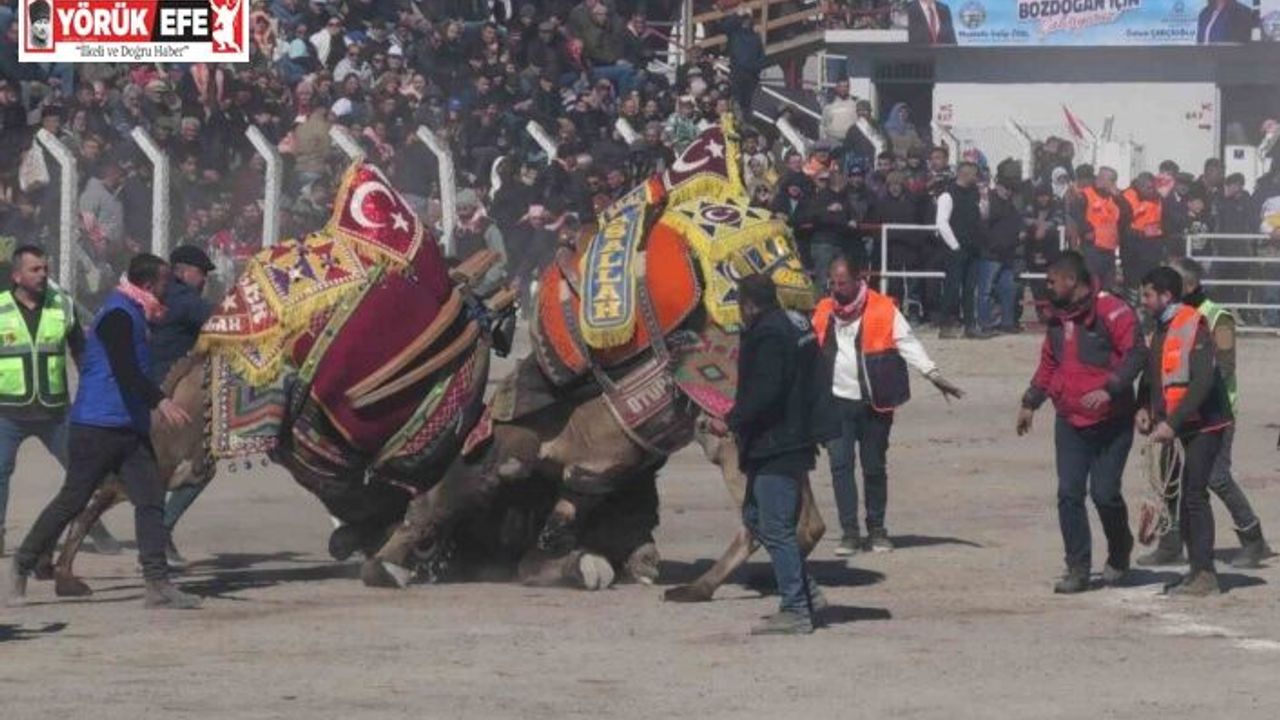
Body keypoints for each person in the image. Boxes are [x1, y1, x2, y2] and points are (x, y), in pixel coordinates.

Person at [9, 254, 201, 609]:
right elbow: (126, 370)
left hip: (129, 428)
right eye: (163, 283)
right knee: (73, 499)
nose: (167, 290)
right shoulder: (117, 315)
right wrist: (160, 401)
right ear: (147, 285)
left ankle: (157, 583)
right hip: (97, 427)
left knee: (150, 500)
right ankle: (22, 563)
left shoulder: (138, 312)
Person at [814, 255, 963, 556]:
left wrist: (933, 374)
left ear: (858, 280)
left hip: (875, 403)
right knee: (840, 467)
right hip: (836, 401)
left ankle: (877, 530)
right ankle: (849, 534)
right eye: (833, 282)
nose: (837, 288)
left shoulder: (883, 308)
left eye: (843, 282)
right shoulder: (823, 310)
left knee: (873, 467)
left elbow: (908, 343)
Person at [1017, 252, 1144, 594]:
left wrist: (1110, 389)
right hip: (1070, 419)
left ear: (1071, 281)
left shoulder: (1113, 311)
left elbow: (1135, 355)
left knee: (1105, 494)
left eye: (1051, 281)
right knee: (1069, 493)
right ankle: (1078, 567)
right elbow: (1049, 362)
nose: (1046, 288)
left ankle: (1119, 550)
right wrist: (1031, 401)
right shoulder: (1057, 318)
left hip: (1112, 421)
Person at [1137, 258, 1271, 568]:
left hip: (1211, 415)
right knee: (1168, 477)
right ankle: (1170, 543)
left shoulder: (1216, 318)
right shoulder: (1166, 322)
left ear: (1186, 286)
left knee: (1215, 477)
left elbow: (1223, 367)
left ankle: (1253, 538)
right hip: (1174, 415)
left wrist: (1187, 405)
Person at [723, 273, 837, 635]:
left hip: (778, 442)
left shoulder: (769, 333)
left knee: (776, 527)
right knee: (757, 518)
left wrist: (730, 420)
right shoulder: (794, 323)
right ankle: (808, 593)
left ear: (748, 304)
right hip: (789, 436)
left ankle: (796, 609)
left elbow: (766, 392)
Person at [1135, 266, 1234, 596]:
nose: (1143, 301)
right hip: (1181, 425)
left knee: (1194, 494)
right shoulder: (1160, 329)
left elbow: (1203, 381)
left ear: (1166, 296)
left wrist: (1171, 422)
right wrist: (1144, 409)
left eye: (1148, 295)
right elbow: (1152, 376)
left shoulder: (1193, 324)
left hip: (1207, 423)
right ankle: (1196, 570)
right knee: (1186, 497)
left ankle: (1205, 573)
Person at [149, 245, 216, 564]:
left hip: (144, 391)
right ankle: (159, 534)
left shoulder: (157, 294)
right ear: (183, 271)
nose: (204, 281)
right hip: (166, 397)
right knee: (201, 468)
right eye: (202, 274)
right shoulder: (186, 301)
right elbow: (224, 323)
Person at [935, 161, 989, 339]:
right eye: (974, 174)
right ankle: (946, 326)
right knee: (952, 287)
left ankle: (970, 326)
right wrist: (955, 246)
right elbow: (942, 223)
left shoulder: (975, 194)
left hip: (973, 248)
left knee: (969, 289)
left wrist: (984, 198)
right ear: (964, 174)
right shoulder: (947, 195)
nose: (976, 178)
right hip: (955, 249)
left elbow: (983, 215)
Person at [1072, 166, 1129, 291]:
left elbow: (1127, 215)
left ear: (1112, 182)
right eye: (1099, 176)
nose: (1098, 179)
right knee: (1091, 285)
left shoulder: (1114, 198)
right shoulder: (1086, 194)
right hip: (1092, 248)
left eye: (1103, 178)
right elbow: (1076, 213)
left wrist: (1118, 197)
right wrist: (1086, 230)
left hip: (1109, 248)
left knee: (1107, 288)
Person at [1121, 173, 1166, 292]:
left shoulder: (1158, 197)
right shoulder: (1126, 197)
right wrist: (1141, 233)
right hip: (1133, 247)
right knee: (1132, 284)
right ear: (1138, 185)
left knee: (1151, 284)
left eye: (1153, 187)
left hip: (1153, 247)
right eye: (1148, 188)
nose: (1151, 191)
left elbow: (1162, 220)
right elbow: (1122, 225)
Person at [725, 9, 767, 117]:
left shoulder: (755, 36)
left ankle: (747, 123)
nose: (746, 21)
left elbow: (761, 55)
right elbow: (726, 26)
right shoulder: (734, 33)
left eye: (748, 19)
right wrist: (738, 14)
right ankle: (738, 122)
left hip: (752, 75)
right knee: (737, 101)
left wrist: (758, 67)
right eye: (744, 19)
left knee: (750, 104)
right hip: (738, 73)